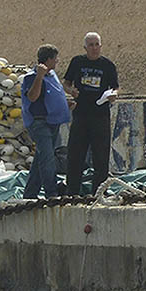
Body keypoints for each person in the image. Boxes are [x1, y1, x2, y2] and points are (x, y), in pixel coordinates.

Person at [63, 32, 119, 195]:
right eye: (91, 45)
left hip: (100, 115)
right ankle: (72, 190)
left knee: (101, 156)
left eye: (97, 45)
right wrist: (71, 90)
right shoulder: (77, 62)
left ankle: (99, 191)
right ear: (85, 48)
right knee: (75, 154)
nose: (94, 48)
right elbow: (66, 83)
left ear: (100, 46)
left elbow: (115, 86)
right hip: (81, 115)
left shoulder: (108, 65)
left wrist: (113, 94)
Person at [21, 44, 70, 199]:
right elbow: (32, 97)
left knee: (40, 159)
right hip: (39, 123)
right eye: (55, 59)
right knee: (48, 158)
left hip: (53, 122)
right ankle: (51, 192)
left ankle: (30, 193)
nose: (57, 62)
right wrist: (39, 77)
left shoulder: (52, 75)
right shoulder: (32, 77)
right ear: (48, 59)